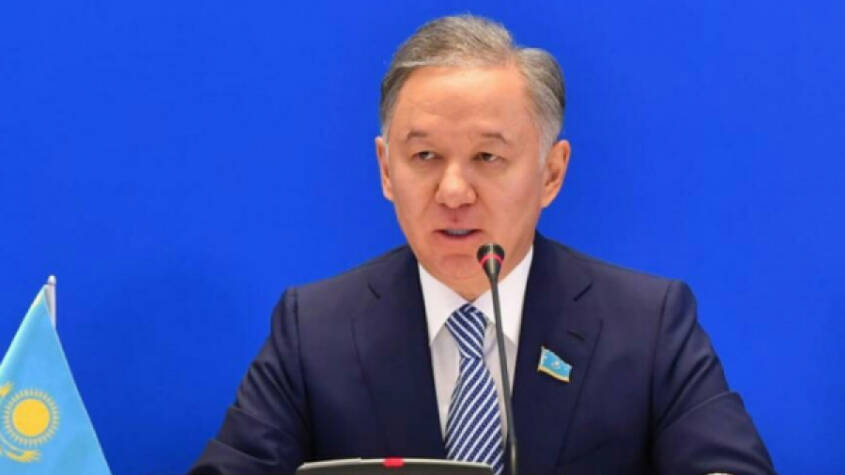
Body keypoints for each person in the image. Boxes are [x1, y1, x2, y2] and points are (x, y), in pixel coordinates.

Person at [190, 15, 774, 475]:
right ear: (386, 169)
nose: (453, 191)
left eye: (488, 157)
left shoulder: (647, 326)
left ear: (551, 172)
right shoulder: (314, 330)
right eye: (424, 156)